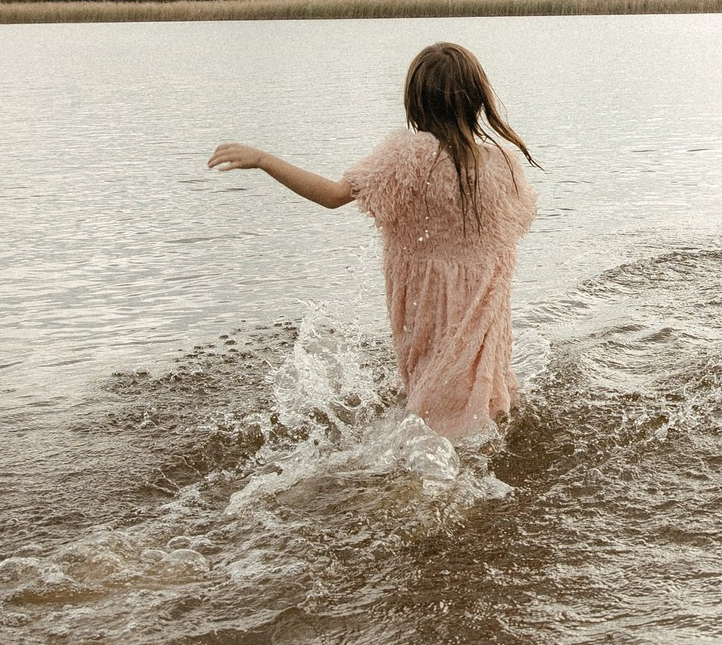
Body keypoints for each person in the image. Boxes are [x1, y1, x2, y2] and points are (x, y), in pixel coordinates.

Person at [208, 42, 538, 442]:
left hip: (427, 312)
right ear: (476, 99)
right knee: (480, 413)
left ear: (416, 101)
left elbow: (332, 195)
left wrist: (264, 159)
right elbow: (518, 223)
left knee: (431, 420)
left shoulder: (406, 156)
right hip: (484, 314)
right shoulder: (503, 165)